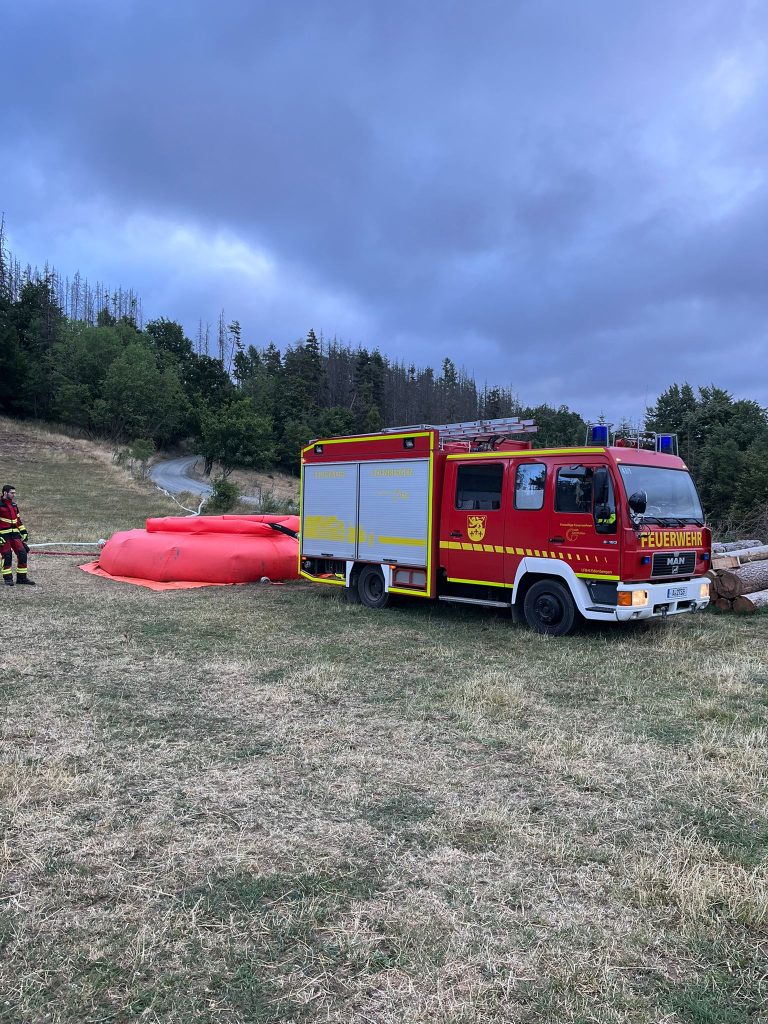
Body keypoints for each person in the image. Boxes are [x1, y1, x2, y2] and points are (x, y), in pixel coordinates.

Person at [0, 485, 36, 586]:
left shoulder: (14, 505)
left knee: (23, 554)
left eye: (14, 493)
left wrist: (24, 532)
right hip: (4, 536)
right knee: (7, 556)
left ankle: (22, 578)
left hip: (15, 535)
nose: (14, 495)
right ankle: (8, 579)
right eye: (12, 493)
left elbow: (18, 521)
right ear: (5, 493)